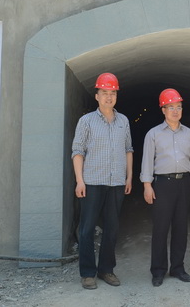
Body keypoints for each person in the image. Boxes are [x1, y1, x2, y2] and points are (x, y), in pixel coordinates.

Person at [71, 72, 133, 290]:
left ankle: (106, 269)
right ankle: (88, 273)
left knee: (112, 229)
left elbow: (128, 149)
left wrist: (129, 177)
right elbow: (77, 151)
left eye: (113, 93)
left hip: (116, 182)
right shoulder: (86, 121)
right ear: (97, 96)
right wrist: (80, 181)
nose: (109, 97)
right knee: (87, 229)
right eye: (104, 92)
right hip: (92, 182)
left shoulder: (123, 121)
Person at [140, 88, 190, 287]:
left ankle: (177, 268)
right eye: (171, 107)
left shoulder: (189, 134)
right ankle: (158, 270)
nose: (175, 111)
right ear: (163, 110)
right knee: (160, 228)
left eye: (178, 107)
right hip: (162, 184)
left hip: (184, 183)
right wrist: (147, 185)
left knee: (181, 227)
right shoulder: (153, 134)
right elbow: (147, 161)